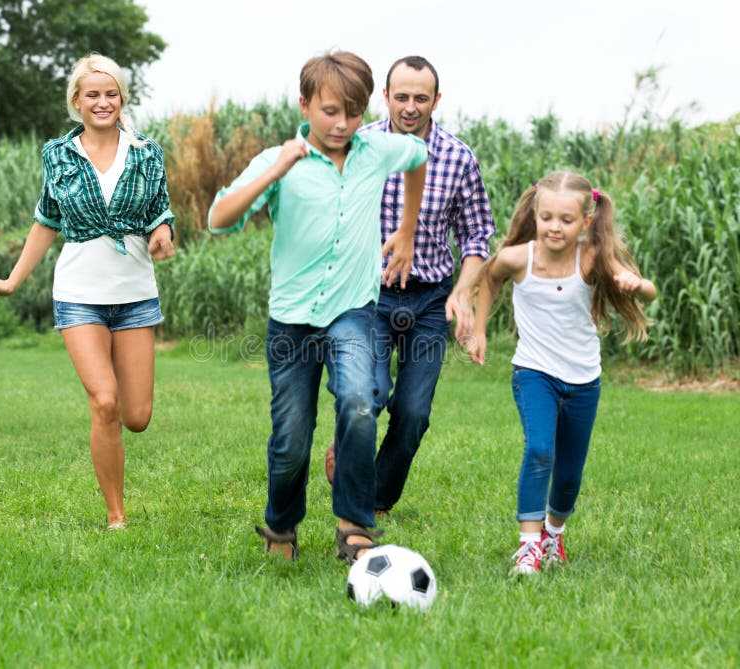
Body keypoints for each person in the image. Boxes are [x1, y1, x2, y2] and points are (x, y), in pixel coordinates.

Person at [207, 50, 427, 563]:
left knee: (358, 402)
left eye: (353, 112)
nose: (343, 123)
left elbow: (417, 157)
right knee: (292, 437)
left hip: (352, 312)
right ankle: (282, 529)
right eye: (330, 111)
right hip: (292, 320)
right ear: (304, 104)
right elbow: (219, 218)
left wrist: (407, 230)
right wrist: (277, 167)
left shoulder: (376, 150)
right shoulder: (279, 161)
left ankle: (354, 524)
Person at [0, 53, 175, 531]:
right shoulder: (58, 155)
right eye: (93, 94)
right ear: (77, 101)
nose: (102, 102)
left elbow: (160, 209)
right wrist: (12, 280)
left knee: (137, 416)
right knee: (103, 402)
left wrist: (164, 230)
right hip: (79, 293)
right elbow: (46, 220)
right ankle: (116, 516)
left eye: (111, 94)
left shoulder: (147, 152)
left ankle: (118, 498)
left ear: (122, 99)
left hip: (134, 295)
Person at [452, 171, 656, 576]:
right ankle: (528, 548)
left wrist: (637, 285)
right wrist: (479, 332)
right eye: (546, 217)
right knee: (540, 449)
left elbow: (648, 291)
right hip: (534, 372)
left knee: (568, 476)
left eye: (565, 220)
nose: (554, 227)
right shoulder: (518, 257)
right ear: (535, 213)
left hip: (583, 379)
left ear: (585, 222)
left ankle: (553, 535)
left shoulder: (592, 257)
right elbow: (489, 280)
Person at [324, 56, 495, 518]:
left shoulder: (458, 158)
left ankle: (377, 499)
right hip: (369, 297)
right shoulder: (359, 147)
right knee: (369, 395)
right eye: (401, 96)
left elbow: (477, 236)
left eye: (421, 97)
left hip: (431, 300)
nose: (411, 106)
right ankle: (354, 475)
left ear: (437, 100)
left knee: (414, 413)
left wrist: (462, 292)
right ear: (386, 97)